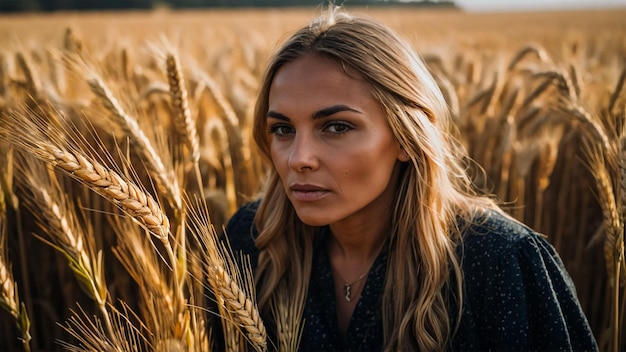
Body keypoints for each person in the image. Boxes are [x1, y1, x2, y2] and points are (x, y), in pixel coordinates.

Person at [224, 7, 598, 351]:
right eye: (283, 129)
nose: (299, 159)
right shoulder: (250, 243)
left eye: (337, 127)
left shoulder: (500, 263)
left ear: (405, 137)